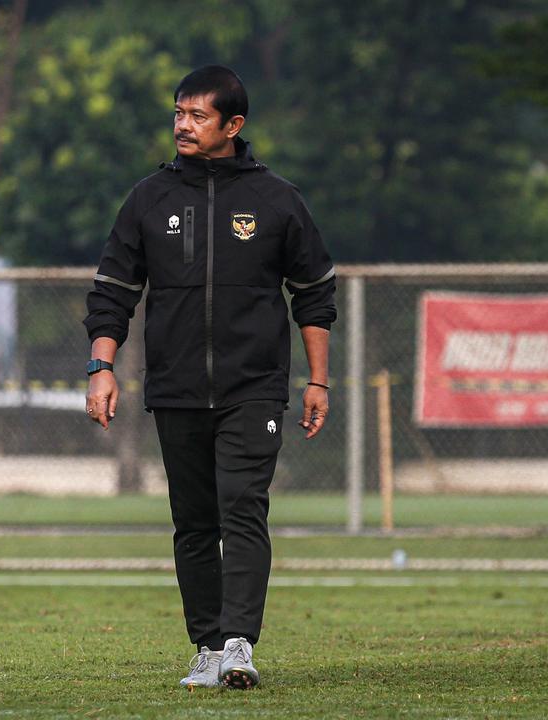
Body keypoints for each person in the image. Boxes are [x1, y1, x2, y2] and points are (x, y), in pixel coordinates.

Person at [82, 65, 336, 690]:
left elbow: (314, 296)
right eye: (178, 114)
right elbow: (113, 291)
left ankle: (239, 645)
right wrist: (101, 366)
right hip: (176, 388)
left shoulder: (277, 199)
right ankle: (205, 647)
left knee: (243, 508)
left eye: (197, 116)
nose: (183, 126)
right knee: (195, 521)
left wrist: (318, 380)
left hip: (255, 388)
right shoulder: (150, 198)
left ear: (234, 125)